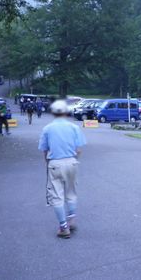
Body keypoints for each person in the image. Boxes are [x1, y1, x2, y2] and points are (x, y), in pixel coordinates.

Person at [38, 100, 86, 239]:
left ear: (53, 112)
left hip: (55, 163)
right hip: (72, 162)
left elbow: (45, 150)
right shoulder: (74, 127)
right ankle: (71, 220)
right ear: (66, 112)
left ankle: (63, 227)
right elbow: (79, 149)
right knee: (71, 192)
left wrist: (48, 163)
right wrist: (74, 160)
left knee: (57, 196)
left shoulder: (47, 129)